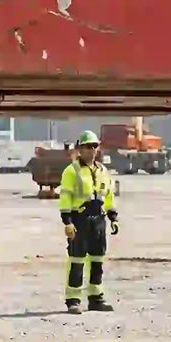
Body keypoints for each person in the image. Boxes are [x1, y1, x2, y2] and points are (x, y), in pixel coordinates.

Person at [57, 131, 119, 314]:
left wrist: (113, 217)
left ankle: (96, 299)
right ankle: (73, 300)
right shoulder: (72, 171)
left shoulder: (102, 171)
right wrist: (67, 222)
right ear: (80, 149)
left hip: (98, 220)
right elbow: (65, 197)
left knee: (97, 260)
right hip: (80, 220)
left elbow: (108, 196)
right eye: (87, 147)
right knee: (77, 260)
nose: (91, 150)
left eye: (94, 146)